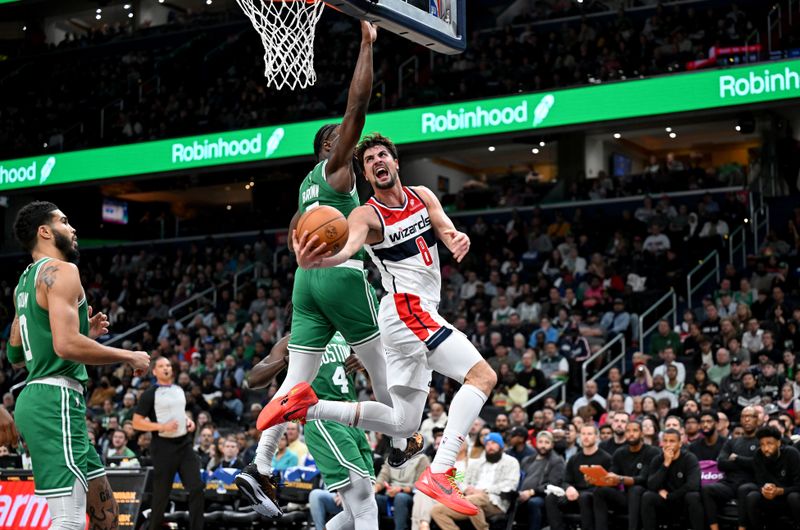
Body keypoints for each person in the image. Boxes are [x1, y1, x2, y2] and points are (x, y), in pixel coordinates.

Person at [239, 21, 408, 519]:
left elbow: (294, 236)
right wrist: (366, 46)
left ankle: (260, 463)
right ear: (329, 150)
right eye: (341, 141)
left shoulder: (305, 190)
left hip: (305, 281)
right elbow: (357, 106)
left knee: (295, 382)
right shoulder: (337, 171)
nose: (350, 143)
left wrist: (304, 250)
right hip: (339, 275)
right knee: (385, 369)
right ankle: (403, 437)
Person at [278, 132, 497, 516]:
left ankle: (309, 408)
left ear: (395, 163)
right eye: (369, 160)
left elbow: (445, 228)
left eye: (383, 155)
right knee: (482, 377)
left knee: (401, 423)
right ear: (365, 174)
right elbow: (347, 247)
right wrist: (322, 260)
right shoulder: (365, 213)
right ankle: (442, 471)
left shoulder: (423, 195)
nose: (377, 161)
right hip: (405, 308)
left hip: (407, 317)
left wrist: (457, 238)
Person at [9, 201, 150, 530]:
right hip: (55, 398)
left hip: (44, 397)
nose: (72, 229)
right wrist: (127, 356)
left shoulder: (24, 284)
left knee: (108, 515)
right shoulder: (62, 271)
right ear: (45, 232)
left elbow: (16, 354)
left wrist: (84, 331)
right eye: (64, 221)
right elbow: (66, 344)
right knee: (69, 520)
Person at [240, 334, 379, 526]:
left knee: (355, 512)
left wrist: (365, 365)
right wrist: (286, 361)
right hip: (325, 420)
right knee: (365, 505)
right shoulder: (296, 338)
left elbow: (378, 382)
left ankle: (259, 467)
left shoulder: (346, 334)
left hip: (353, 418)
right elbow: (253, 379)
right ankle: (259, 465)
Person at [133, 357, 203, 530]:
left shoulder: (178, 389)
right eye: (161, 366)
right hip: (163, 447)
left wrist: (188, 421)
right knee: (161, 497)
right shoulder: (150, 394)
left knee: (197, 488)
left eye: (168, 366)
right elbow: (136, 422)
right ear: (155, 371)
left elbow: (177, 411)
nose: (166, 368)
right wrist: (161, 426)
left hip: (184, 445)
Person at [430, 433, 519, 530]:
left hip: (494, 500)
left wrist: (484, 491)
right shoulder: (477, 463)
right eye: (487, 444)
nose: (490, 446)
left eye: (494, 443)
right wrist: (467, 489)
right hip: (469, 500)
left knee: (473, 500)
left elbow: (510, 484)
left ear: (501, 445)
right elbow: (463, 481)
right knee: (436, 510)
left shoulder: (511, 462)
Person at [592, 420, 660, 530]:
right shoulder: (619, 453)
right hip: (627, 497)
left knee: (636, 489)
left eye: (635, 430)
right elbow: (612, 475)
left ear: (641, 433)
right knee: (600, 491)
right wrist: (596, 479)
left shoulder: (652, 452)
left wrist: (619, 479)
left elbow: (643, 479)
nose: (631, 433)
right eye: (628, 431)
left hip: (647, 497)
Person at [545, 424, 612, 530]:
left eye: (589, 434)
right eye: (583, 434)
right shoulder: (574, 458)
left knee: (584, 497)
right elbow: (566, 481)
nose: (586, 437)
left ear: (597, 436)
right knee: (551, 498)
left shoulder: (606, 458)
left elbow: (608, 484)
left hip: (593, 497)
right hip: (574, 496)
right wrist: (569, 488)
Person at [641, 428, 704, 530]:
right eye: (665, 441)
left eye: (672, 441)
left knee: (693, 496)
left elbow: (693, 485)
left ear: (680, 443)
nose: (668, 444)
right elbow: (651, 485)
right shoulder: (658, 459)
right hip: (665, 504)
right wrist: (665, 464)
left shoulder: (689, 458)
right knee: (648, 496)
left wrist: (671, 496)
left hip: (682, 501)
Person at [743, 426, 800, 529]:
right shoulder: (758, 455)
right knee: (752, 496)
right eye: (762, 445)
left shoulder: (791, 454)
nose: (765, 449)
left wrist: (780, 491)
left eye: (769, 443)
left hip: (787, 497)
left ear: (778, 443)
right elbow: (759, 481)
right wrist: (764, 490)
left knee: (794, 497)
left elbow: (798, 485)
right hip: (769, 497)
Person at [518, 431, 565, 530]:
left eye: (547, 442)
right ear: (536, 443)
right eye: (540, 442)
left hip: (542, 496)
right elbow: (520, 478)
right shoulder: (527, 460)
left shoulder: (556, 461)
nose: (543, 445)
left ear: (552, 445)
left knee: (534, 503)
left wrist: (531, 492)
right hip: (522, 493)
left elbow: (553, 484)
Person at [375, 452, 430, 530]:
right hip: (390, 494)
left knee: (400, 498)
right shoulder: (392, 457)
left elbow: (420, 484)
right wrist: (375, 488)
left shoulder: (421, 459)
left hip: (410, 496)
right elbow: (382, 477)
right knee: (374, 499)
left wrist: (401, 490)